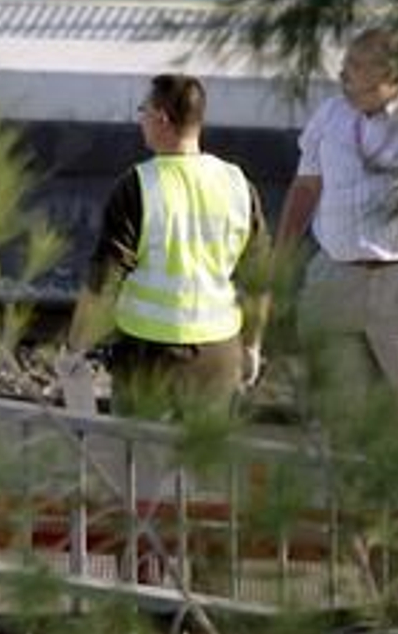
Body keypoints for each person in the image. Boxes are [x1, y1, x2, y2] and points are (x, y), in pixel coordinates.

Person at [275, 27, 398, 442]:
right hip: (337, 281)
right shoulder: (330, 115)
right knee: (337, 420)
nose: (343, 72)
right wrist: (279, 258)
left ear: (391, 74)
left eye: (356, 65)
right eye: (345, 62)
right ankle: (348, 507)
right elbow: (306, 187)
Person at [59, 73, 270, 419]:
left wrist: (75, 347)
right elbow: (260, 278)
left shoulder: (138, 186)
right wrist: (252, 344)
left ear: (161, 118)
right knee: (204, 469)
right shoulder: (236, 183)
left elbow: (104, 281)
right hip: (219, 355)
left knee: (141, 464)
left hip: (149, 361)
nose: (140, 120)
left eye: (143, 110)